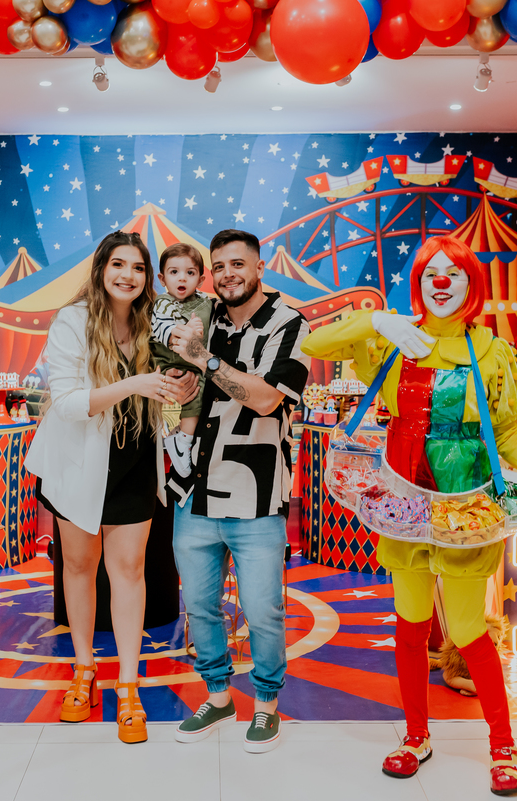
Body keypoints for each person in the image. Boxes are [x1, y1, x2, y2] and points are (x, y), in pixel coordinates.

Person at [301, 235, 517, 794]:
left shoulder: (491, 349)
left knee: (468, 629)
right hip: (402, 497)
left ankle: (503, 745)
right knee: (410, 623)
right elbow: (315, 339)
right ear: (417, 283)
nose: (441, 282)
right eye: (429, 273)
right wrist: (376, 324)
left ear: (473, 284)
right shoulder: (395, 340)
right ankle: (415, 736)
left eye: (454, 273)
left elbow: (509, 432)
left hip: (464, 498)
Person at [24, 231, 199, 744]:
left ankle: (128, 686)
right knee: (78, 567)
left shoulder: (156, 323)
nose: (128, 275)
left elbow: (166, 398)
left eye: (139, 268)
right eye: (118, 264)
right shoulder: (72, 321)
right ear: (101, 269)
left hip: (136, 461)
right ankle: (83, 673)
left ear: (150, 277)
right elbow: (69, 402)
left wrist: (177, 391)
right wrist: (136, 383)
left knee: (128, 571)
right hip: (76, 463)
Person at [167, 229, 311, 754]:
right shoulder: (201, 316)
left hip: (255, 493)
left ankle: (268, 703)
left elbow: (269, 400)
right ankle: (219, 693)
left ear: (259, 267)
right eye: (219, 266)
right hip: (194, 492)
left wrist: (206, 362)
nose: (227, 274)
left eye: (237, 264)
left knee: (261, 608)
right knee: (201, 606)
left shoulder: (288, 323)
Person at [151, 243, 215, 478]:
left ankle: (184, 432)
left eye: (190, 273)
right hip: (170, 359)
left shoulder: (206, 302)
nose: (182, 278)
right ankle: (182, 442)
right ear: (162, 278)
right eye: (174, 272)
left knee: (205, 390)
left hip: (195, 361)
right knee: (195, 393)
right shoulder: (163, 303)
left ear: (200, 279)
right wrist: (186, 331)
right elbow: (163, 328)